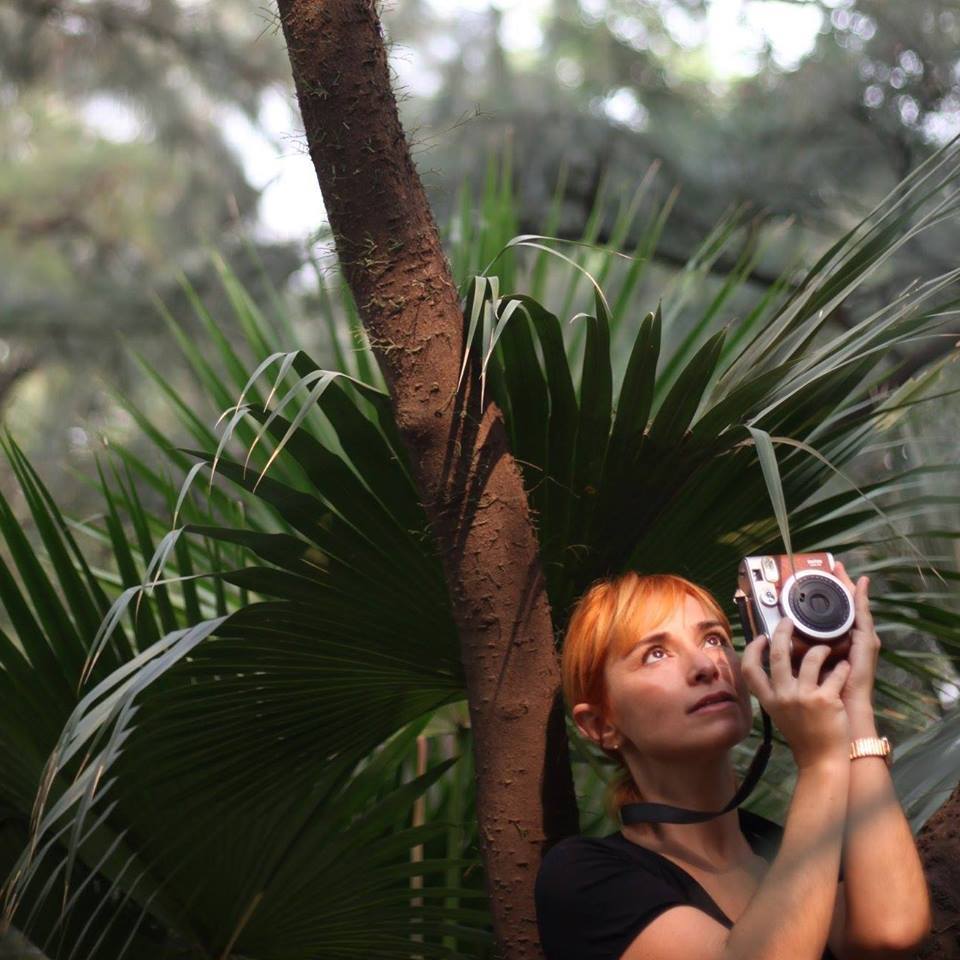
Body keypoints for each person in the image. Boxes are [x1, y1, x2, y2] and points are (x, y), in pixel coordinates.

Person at [534, 570, 931, 960]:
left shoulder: (782, 845)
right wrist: (819, 764)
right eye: (655, 654)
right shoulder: (583, 877)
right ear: (601, 726)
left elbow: (892, 930)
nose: (707, 666)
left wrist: (854, 704)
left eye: (713, 639)